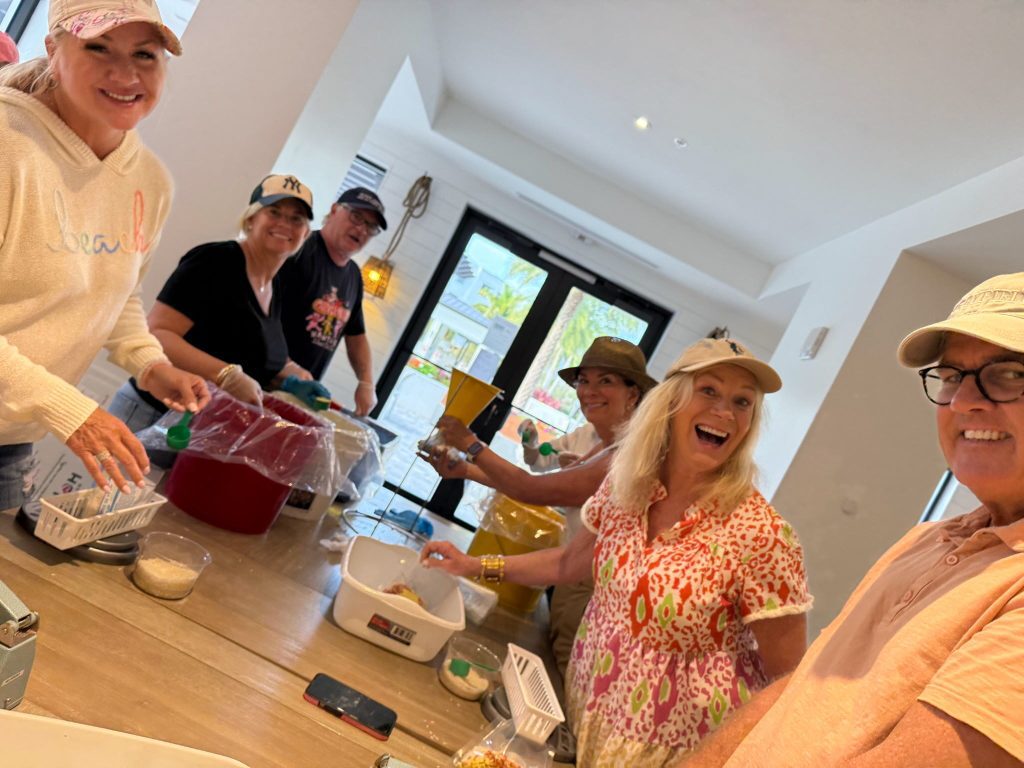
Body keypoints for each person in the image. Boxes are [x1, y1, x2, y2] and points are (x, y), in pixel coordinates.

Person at [683, 274, 1024, 768]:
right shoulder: (926, 540)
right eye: (951, 375)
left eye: (1011, 373)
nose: (962, 400)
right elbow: (803, 686)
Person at [423, 338, 812, 766]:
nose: (725, 412)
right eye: (709, 391)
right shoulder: (627, 483)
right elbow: (568, 562)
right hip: (590, 722)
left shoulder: (762, 535)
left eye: (743, 402)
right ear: (670, 402)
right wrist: (472, 564)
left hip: (678, 754)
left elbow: (788, 683)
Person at [0, 0, 208, 507]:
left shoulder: (150, 181)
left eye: (145, 54)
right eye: (99, 48)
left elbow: (117, 292)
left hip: (10, 442)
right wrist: (69, 410)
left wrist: (150, 363)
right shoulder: (9, 144)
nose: (125, 74)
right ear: (53, 51)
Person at [424, 336, 657, 679]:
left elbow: (531, 489)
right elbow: (546, 491)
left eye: (605, 381)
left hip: (594, 598)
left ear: (633, 394)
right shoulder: (607, 444)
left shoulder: (628, 457)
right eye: (584, 381)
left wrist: (471, 445)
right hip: (574, 577)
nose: (589, 391)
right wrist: (466, 470)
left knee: (569, 681)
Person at [109, 174, 332, 433]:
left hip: (200, 426)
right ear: (251, 219)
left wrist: (293, 376)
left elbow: (255, 350)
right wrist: (225, 374)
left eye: (297, 218)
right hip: (153, 413)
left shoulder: (274, 286)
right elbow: (158, 333)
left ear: (306, 234)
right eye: (274, 212)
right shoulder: (215, 261)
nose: (285, 224)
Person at [277, 187, 387, 416]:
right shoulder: (299, 249)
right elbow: (258, 312)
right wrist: (285, 364)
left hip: (301, 398)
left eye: (371, 226)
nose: (362, 229)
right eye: (356, 217)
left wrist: (366, 383)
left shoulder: (354, 277)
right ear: (335, 210)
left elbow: (356, 336)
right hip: (262, 381)